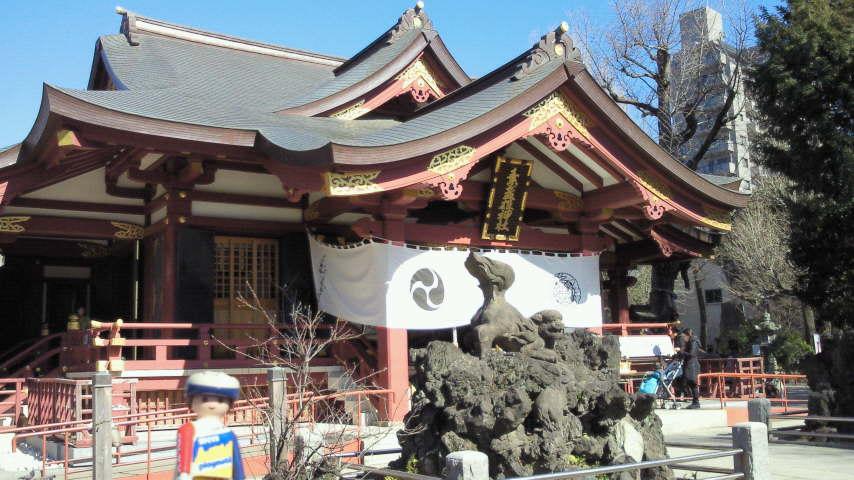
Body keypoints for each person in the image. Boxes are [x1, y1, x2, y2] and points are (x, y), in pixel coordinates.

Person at [175, 371, 245, 480]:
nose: (212, 404)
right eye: (204, 399)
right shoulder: (189, 429)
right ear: (191, 401)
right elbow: (183, 458)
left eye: (220, 400)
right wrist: (183, 475)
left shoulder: (229, 434)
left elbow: (237, 464)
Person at [682, 329, 703, 409]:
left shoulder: (693, 342)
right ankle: (695, 401)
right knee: (691, 383)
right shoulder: (690, 341)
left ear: (688, 335)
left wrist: (681, 352)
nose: (684, 338)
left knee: (692, 383)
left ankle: (696, 402)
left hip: (692, 365)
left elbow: (692, 354)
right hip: (690, 364)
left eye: (684, 336)